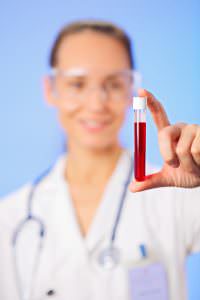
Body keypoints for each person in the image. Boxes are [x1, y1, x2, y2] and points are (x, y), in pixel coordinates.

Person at [0, 20, 200, 300]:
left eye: (114, 84)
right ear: (50, 89)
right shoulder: (11, 219)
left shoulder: (179, 195)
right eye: (77, 84)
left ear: (132, 89)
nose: (96, 104)